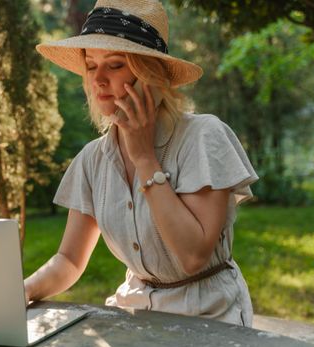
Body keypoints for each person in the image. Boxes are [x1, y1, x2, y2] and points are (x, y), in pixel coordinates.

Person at [24, 0, 259, 327]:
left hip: (211, 316)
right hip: (135, 314)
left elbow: (193, 256)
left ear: (149, 74)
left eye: (115, 64)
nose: (98, 79)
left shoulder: (204, 137)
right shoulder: (93, 159)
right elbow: (69, 259)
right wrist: (23, 291)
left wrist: (145, 157)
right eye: (92, 66)